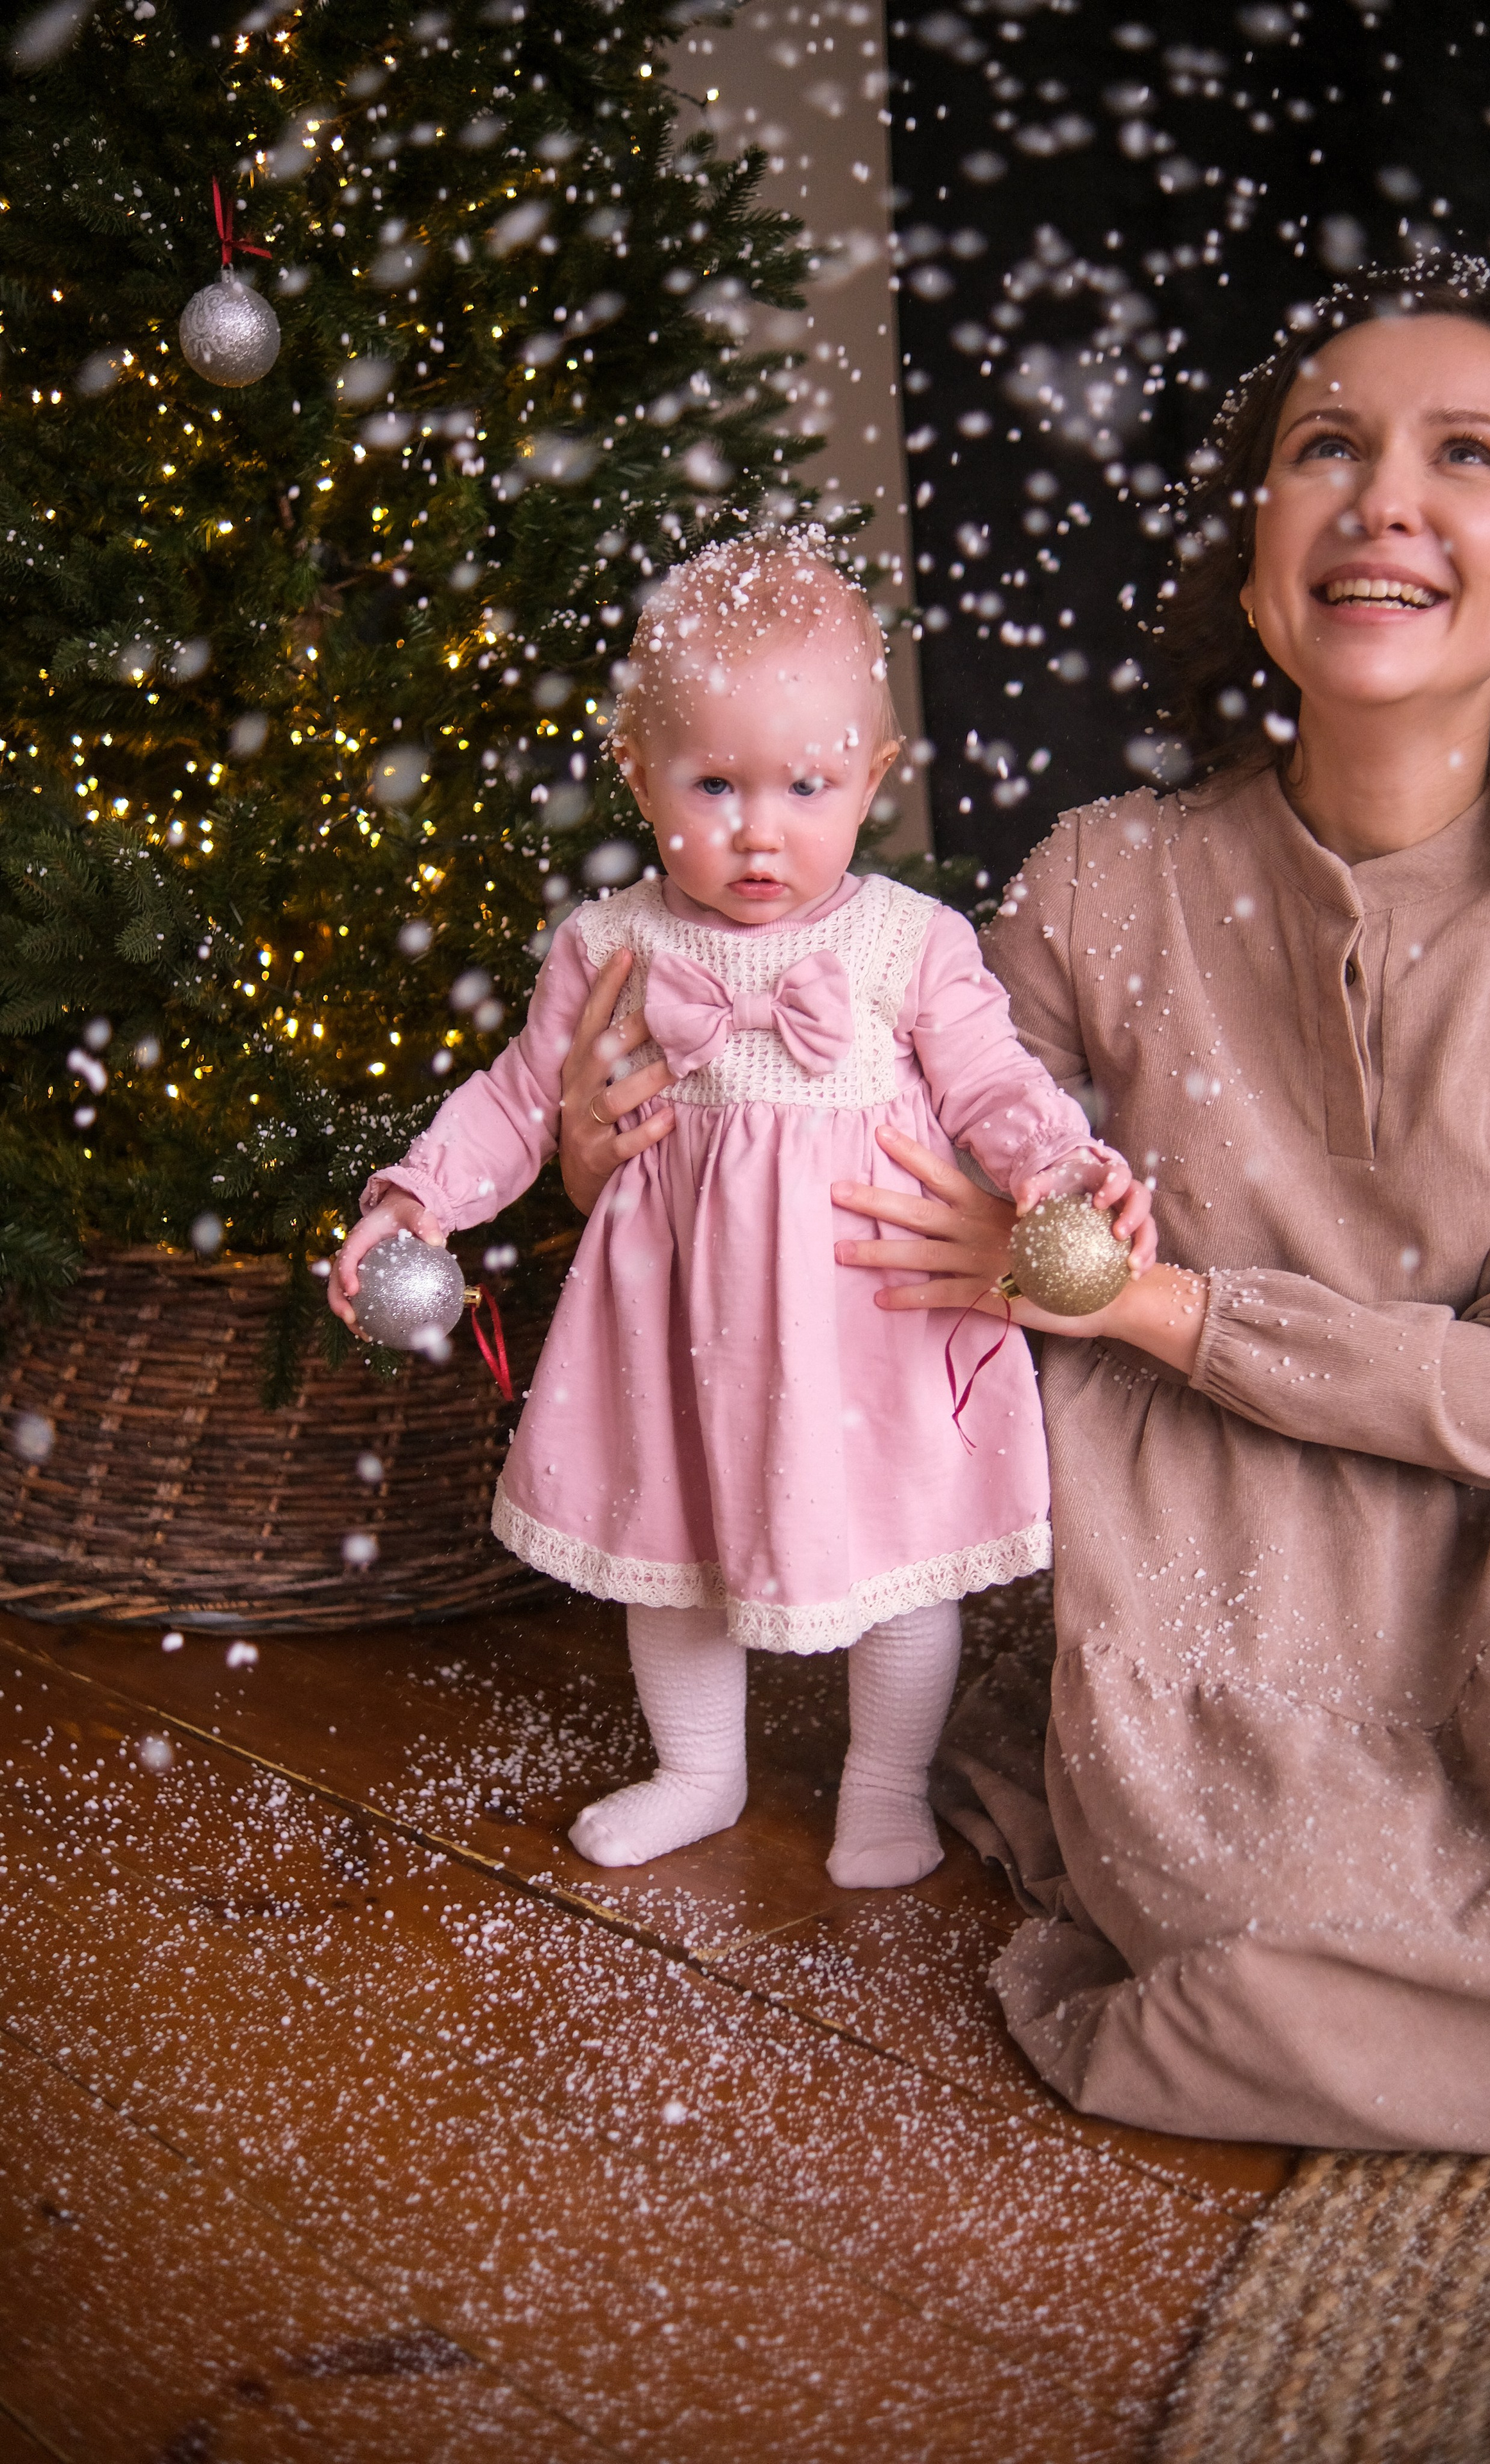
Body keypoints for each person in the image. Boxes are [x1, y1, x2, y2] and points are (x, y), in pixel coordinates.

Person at [821, 259, 1490, 2153]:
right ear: (1264, 561)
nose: (1384, 499)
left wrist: (1154, 1308)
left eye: (1466, 456)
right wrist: (656, 1147)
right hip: (1210, 1568)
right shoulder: (1108, 883)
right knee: (1246, 1953)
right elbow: (889, 1185)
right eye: (1325, 450)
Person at [330, 532, 1154, 1890]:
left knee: (905, 1570)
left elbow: (997, 1085)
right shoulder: (610, 945)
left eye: (806, 785)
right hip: (679, 1320)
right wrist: (419, 1194)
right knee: (674, 1559)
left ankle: (883, 1787)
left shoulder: (907, 941)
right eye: (712, 784)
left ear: (874, 781)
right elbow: (519, 1097)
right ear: (637, 773)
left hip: (867, 1320)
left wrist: (1059, 1174)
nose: (757, 829)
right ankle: (697, 1773)